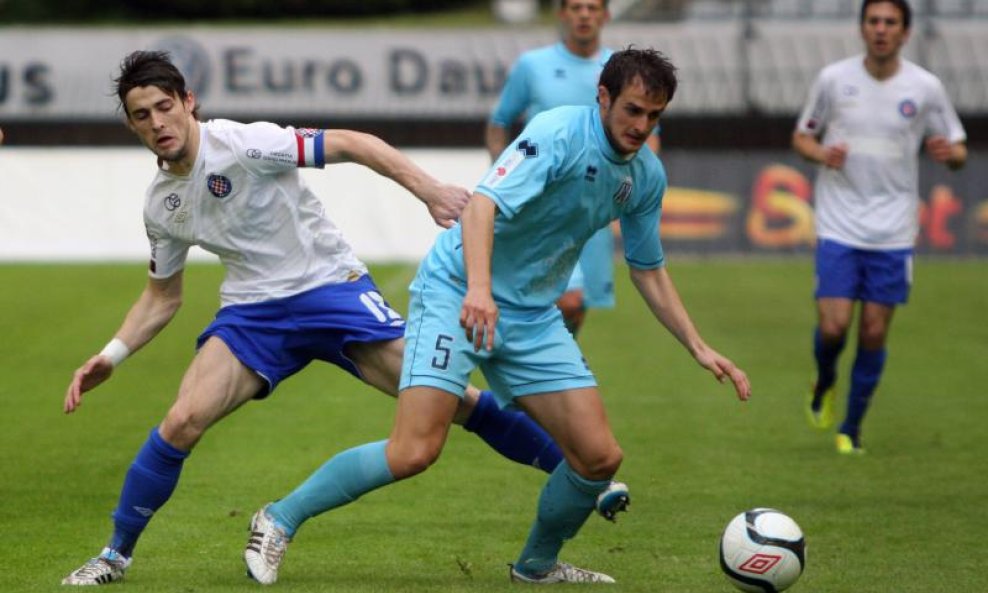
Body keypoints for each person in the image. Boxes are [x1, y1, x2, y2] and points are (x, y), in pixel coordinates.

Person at [60, 49, 575, 586]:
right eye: (142, 115)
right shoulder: (162, 204)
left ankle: (579, 476)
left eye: (165, 107)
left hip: (331, 291)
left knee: (455, 403)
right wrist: (111, 355)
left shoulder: (244, 142)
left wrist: (429, 190)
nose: (157, 123)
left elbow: (353, 143)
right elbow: (162, 296)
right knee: (181, 421)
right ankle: (115, 556)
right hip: (253, 315)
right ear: (130, 123)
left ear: (189, 102)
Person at [245, 48, 750, 586]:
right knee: (414, 450)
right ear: (603, 98)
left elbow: (648, 268)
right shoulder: (556, 133)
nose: (641, 126)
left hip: (531, 314)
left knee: (598, 457)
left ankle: (535, 567)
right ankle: (278, 518)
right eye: (632, 111)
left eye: (654, 116)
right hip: (457, 291)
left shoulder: (645, 176)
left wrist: (698, 345)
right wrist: (480, 291)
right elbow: (483, 205)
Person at [793, 0, 966, 454]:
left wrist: (952, 155)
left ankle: (851, 428)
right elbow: (802, 136)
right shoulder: (834, 79)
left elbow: (959, 145)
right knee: (833, 328)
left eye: (891, 22)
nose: (881, 29)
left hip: (893, 229)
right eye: (874, 21)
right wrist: (819, 154)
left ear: (905, 32)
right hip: (839, 221)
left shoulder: (925, 87)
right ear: (862, 28)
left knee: (872, 331)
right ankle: (825, 380)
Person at [486, 0, 659, 338]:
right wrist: (505, 178)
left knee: (577, 307)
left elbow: (648, 140)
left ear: (605, 16)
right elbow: (499, 123)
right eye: (576, 7)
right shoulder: (533, 66)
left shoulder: (622, 73)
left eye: (593, 8)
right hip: (542, 205)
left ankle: (549, 375)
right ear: (562, 14)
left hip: (592, 206)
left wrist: (631, 194)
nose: (584, 15)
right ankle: (538, 373)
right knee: (567, 299)